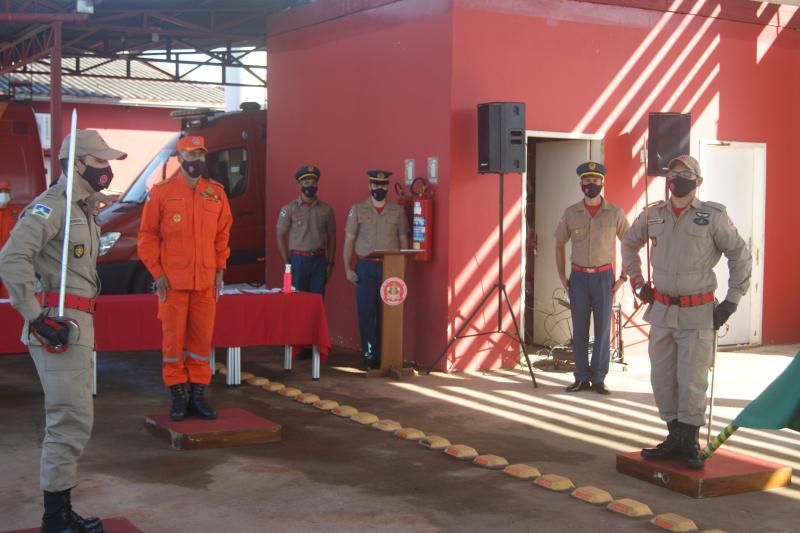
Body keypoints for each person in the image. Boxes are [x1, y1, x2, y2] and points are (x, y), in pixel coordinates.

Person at [0, 130, 126, 533]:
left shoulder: (82, 207)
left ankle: (61, 510)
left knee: (74, 418)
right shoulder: (52, 206)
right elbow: (13, 258)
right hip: (58, 326)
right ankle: (55, 518)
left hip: (76, 323)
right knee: (68, 420)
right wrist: (36, 317)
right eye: (99, 162)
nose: (106, 170)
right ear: (78, 164)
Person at [621, 154, 752, 469]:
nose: (677, 178)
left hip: (697, 314)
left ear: (698, 181)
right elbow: (628, 242)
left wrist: (732, 300)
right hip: (662, 312)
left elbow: (740, 255)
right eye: (673, 173)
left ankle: (690, 441)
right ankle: (674, 437)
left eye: (685, 174)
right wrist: (638, 283)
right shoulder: (654, 216)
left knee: (692, 379)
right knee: (663, 379)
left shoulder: (713, 216)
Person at [137, 135, 233, 422]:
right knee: (173, 343)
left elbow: (222, 234)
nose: (197, 161)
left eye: (201, 155)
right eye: (191, 156)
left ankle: (198, 396)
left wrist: (219, 269)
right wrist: (158, 273)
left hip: (205, 284)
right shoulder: (162, 193)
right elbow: (146, 237)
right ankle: (178, 395)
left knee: (202, 343)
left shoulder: (216, 193)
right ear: (180, 159)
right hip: (173, 285)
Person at [554, 161, 630, 395]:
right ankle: (581, 377)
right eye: (587, 181)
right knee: (579, 330)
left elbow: (629, 243)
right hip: (578, 278)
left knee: (603, 331)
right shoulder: (571, 213)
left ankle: (598, 378)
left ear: (602, 183)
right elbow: (559, 243)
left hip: (603, 278)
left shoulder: (615, 213)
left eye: (595, 181)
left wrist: (623, 278)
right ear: (581, 184)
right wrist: (562, 278)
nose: (591, 185)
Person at [343, 169, 409, 370]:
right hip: (365, 267)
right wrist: (347, 268)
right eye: (376, 185)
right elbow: (349, 240)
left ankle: (384, 356)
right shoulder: (358, 209)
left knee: (387, 313)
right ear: (369, 186)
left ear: (387, 186)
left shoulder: (397, 211)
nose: (380, 188)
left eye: (383, 185)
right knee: (366, 313)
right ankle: (369, 355)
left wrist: (403, 270)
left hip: (390, 268)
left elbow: (404, 240)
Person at [276, 165, 336, 296]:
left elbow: (332, 236)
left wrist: (330, 263)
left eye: (313, 183)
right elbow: (280, 235)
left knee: (317, 301)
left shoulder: (326, 209)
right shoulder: (289, 209)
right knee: (297, 302)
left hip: (319, 261)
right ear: (299, 185)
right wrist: (287, 263)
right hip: (298, 261)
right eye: (306, 183)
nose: (310, 186)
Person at [0, 179, 22, 298]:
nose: (3, 194)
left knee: (8, 293)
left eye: (6, 191)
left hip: (10, 259)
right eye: (0, 191)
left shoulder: (16, 212)